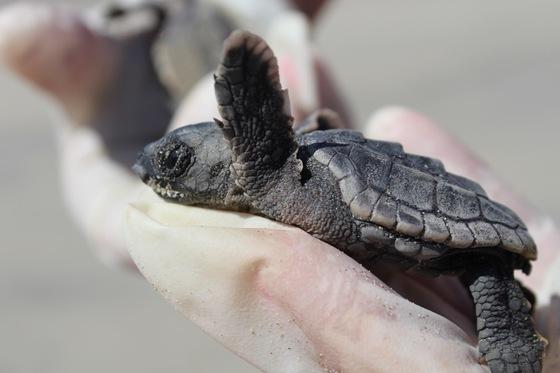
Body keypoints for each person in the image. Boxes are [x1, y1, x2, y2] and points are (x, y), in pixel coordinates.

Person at [1, 1, 558, 371]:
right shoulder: (266, 176)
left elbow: (260, 110)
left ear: (245, 150)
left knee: (488, 276)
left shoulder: (263, 169)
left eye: (170, 163)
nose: (151, 176)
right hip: (373, 198)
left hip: (424, 213)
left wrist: (248, 65)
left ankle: (510, 322)